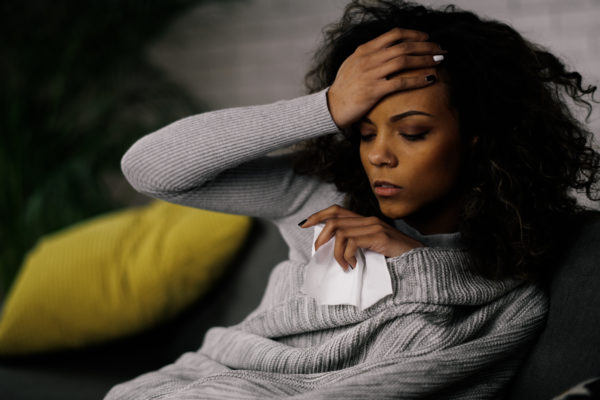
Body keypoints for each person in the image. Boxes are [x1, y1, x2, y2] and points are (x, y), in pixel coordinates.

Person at [105, 0, 599, 399]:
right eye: (363, 133)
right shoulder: (321, 194)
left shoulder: (516, 255)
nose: (379, 155)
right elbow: (151, 169)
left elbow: (422, 370)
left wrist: (414, 262)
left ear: (478, 140)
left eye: (412, 133)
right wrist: (326, 107)